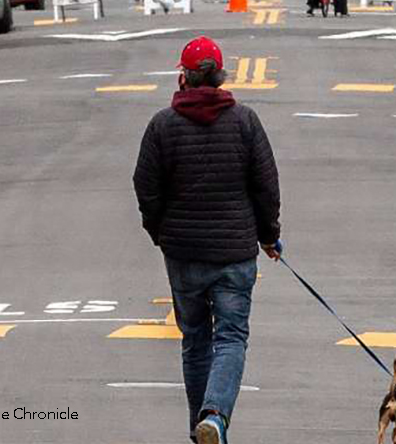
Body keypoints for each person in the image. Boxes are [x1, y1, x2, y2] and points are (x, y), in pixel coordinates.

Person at [133, 36, 282, 444]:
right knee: (231, 337)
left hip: (182, 254)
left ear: (183, 76)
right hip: (235, 251)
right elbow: (266, 186)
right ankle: (214, 417)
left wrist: (160, 232)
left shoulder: (162, 125)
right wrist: (269, 236)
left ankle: (199, 429)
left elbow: (145, 187)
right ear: (219, 76)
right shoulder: (245, 121)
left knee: (194, 339)